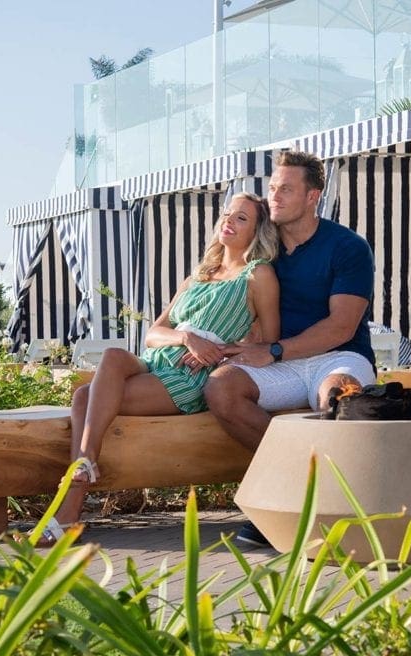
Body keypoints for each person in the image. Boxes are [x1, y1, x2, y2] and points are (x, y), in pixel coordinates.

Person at [36, 192, 280, 547]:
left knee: (84, 396)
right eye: (228, 214)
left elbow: (266, 344)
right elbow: (153, 334)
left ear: (258, 231)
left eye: (241, 218)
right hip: (160, 359)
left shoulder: (258, 275)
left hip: (189, 376)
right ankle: (82, 472)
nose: (229, 221)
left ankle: (70, 506)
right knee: (114, 357)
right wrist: (186, 338)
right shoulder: (199, 275)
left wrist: (216, 352)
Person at [201, 151, 377, 548]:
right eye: (272, 187)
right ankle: (293, 493)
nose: (273, 197)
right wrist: (193, 340)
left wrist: (275, 351)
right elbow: (217, 277)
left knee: (338, 397)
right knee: (221, 387)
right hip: (278, 360)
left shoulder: (347, 246)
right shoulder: (262, 245)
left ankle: (332, 507)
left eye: (285, 189)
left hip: (337, 355)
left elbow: (341, 326)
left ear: (313, 197)